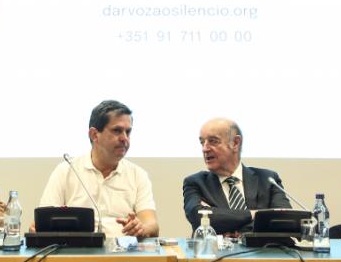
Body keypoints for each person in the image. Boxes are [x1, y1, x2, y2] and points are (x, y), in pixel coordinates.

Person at [39, 100, 159, 239]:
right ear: (94, 135)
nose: (125, 138)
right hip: (77, 253)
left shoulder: (138, 174)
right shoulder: (66, 171)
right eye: (117, 131)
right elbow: (43, 221)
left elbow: (152, 223)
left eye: (128, 132)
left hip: (123, 255)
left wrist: (141, 228)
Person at [182, 118, 290, 234]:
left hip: (263, 251)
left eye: (213, 141)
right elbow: (198, 218)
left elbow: (284, 220)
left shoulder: (268, 179)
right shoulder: (195, 182)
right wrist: (254, 214)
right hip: (216, 252)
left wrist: (222, 219)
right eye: (202, 142)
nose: (205, 149)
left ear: (235, 143)